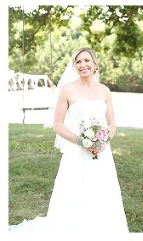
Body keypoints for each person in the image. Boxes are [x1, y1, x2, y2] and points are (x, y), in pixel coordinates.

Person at [8, 47, 129, 233]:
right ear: (74, 66)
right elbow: (57, 124)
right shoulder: (67, 90)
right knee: (74, 192)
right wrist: (82, 142)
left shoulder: (104, 91)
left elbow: (112, 124)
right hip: (76, 151)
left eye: (87, 60)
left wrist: (104, 142)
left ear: (95, 64)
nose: (83, 65)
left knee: (102, 193)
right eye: (78, 62)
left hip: (102, 153)